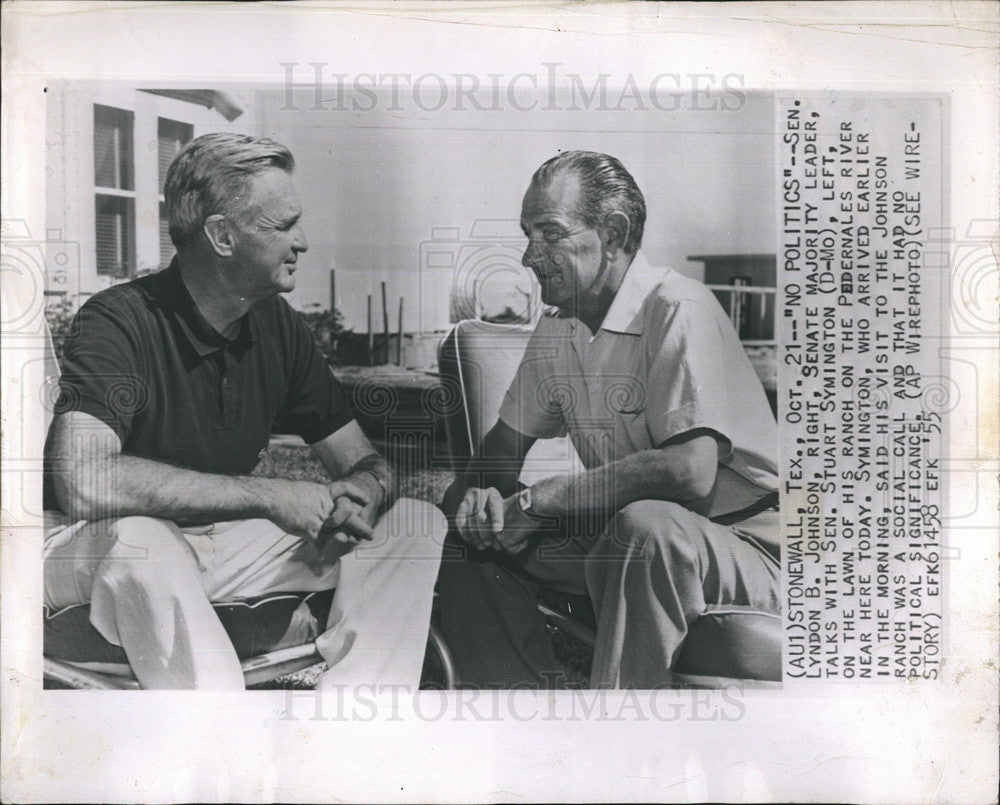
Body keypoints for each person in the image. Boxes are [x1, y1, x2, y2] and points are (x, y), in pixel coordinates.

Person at [44, 133, 445, 690]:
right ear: (222, 236)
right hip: (89, 543)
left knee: (413, 524)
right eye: (283, 226)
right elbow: (84, 482)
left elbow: (364, 460)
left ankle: (354, 734)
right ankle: (223, 749)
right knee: (145, 540)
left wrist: (366, 492)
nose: (302, 241)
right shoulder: (120, 319)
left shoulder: (278, 325)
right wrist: (268, 495)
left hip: (215, 541)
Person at [436, 151, 779, 689]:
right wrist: (476, 500)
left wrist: (537, 500)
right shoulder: (561, 328)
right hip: (631, 538)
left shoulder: (677, 307)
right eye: (528, 234)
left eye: (550, 233)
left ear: (614, 234)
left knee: (644, 531)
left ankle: (616, 749)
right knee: (460, 541)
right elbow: (498, 454)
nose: (529, 255)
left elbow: (689, 472)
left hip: (755, 550)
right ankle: (522, 721)